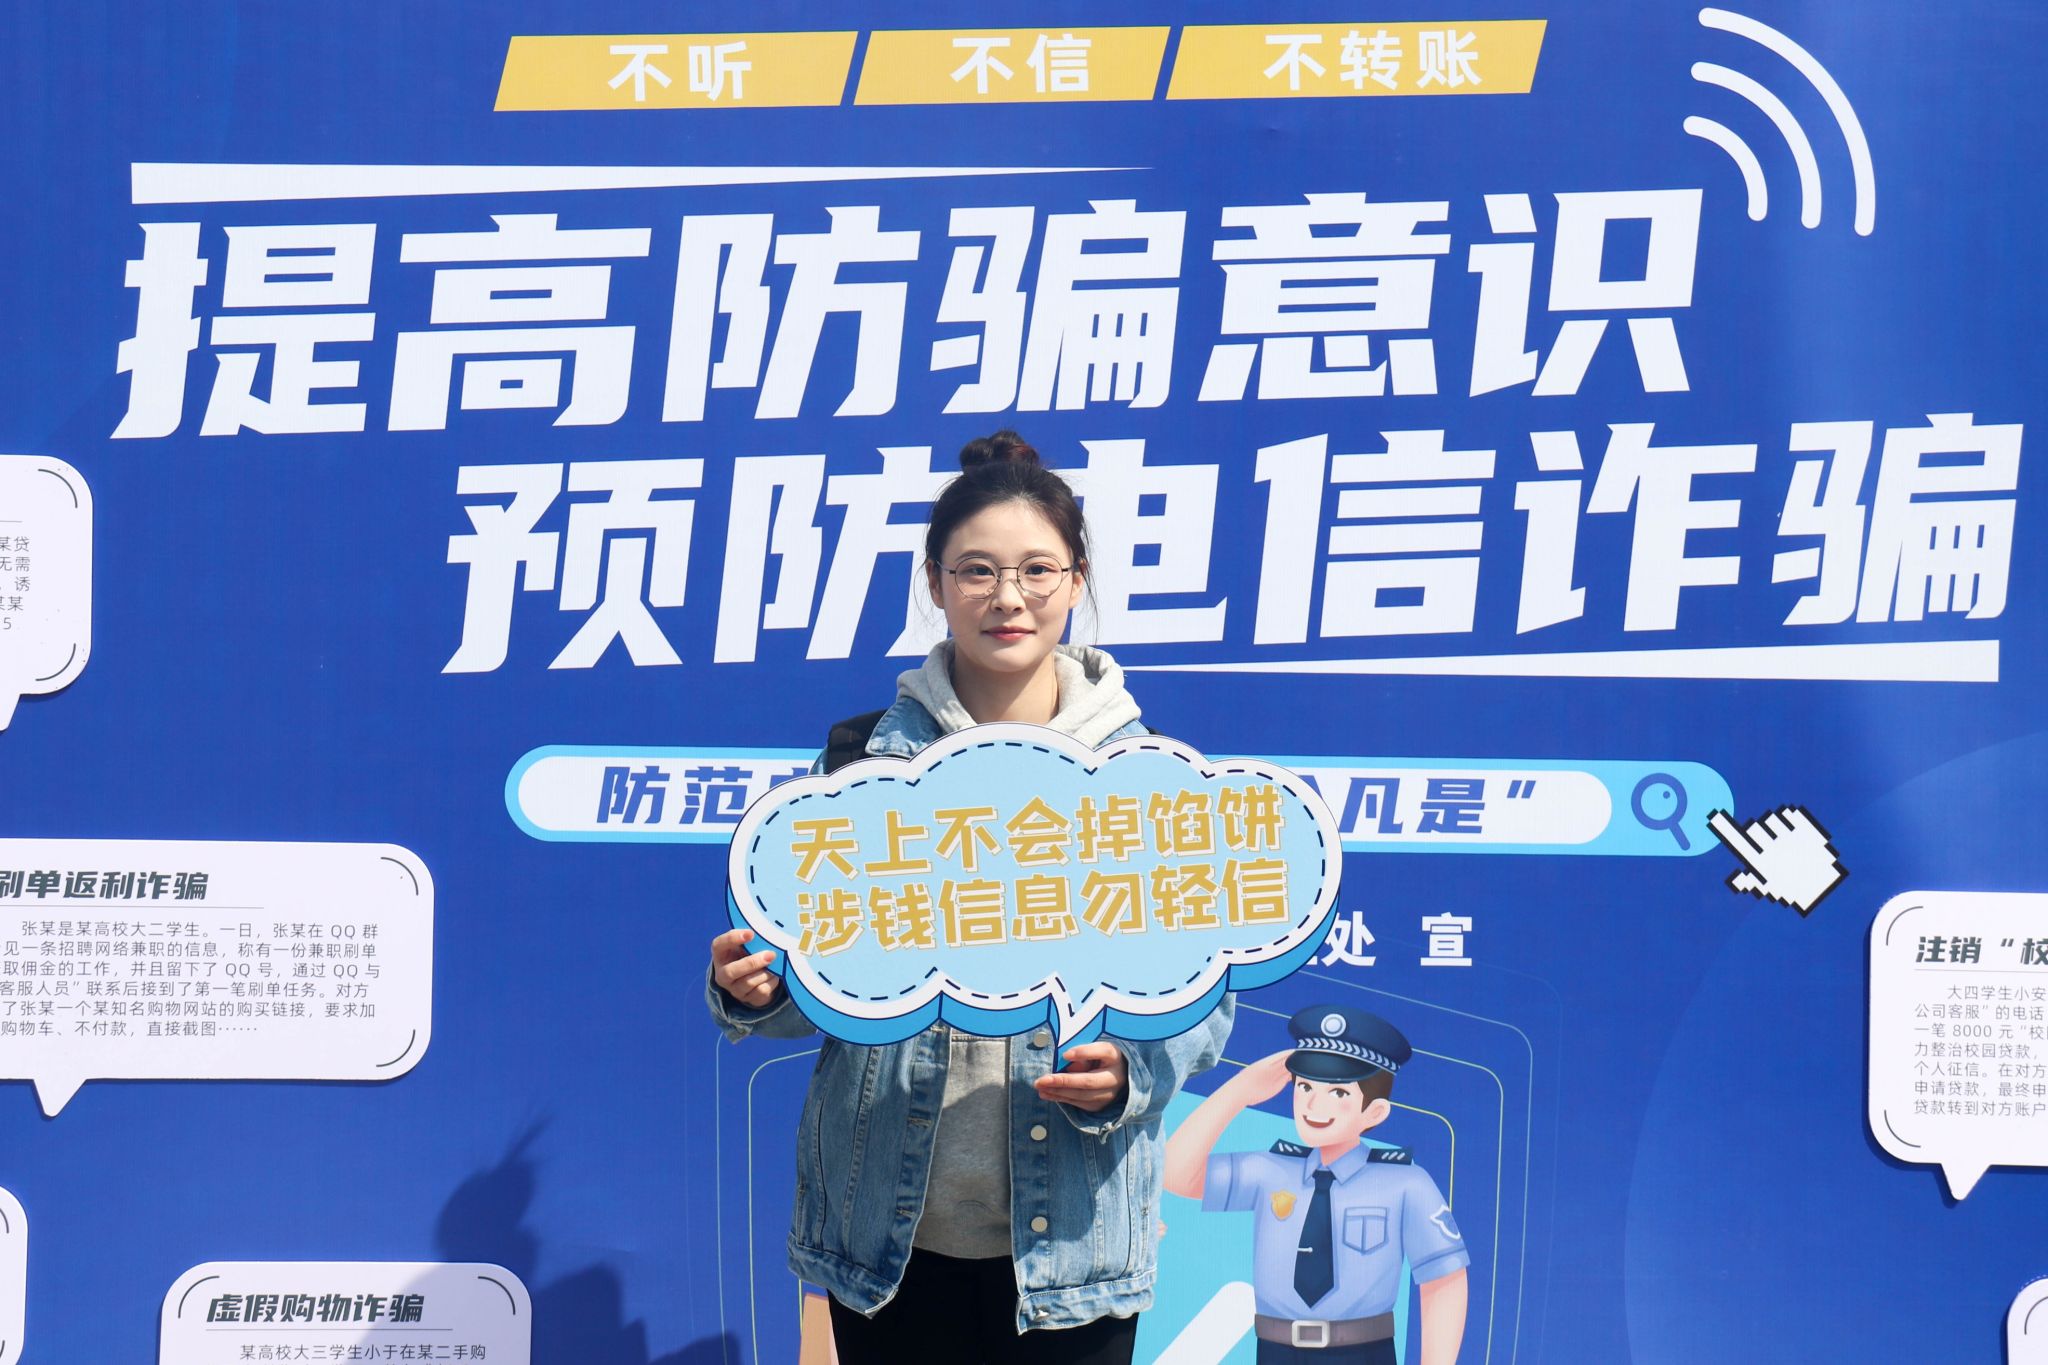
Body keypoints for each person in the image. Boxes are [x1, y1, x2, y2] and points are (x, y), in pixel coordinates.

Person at [707, 430, 1236, 1365]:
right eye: (978, 570)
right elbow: (812, 986)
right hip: (886, 1241)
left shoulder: (1144, 779)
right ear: (936, 581)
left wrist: (1131, 1072)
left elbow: (1201, 1000)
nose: (1008, 596)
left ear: (1076, 580)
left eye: (1037, 569)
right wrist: (755, 987)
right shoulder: (861, 767)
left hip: (1073, 1253)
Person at [1162, 1006, 1468, 1364]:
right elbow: (1175, 1173)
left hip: (1362, 1353)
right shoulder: (1270, 1171)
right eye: (1305, 1086)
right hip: (1275, 1352)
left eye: (1338, 1093)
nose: (1312, 1104)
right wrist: (1239, 1092)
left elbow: (1444, 1281)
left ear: (1375, 1112)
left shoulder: (1405, 1183)